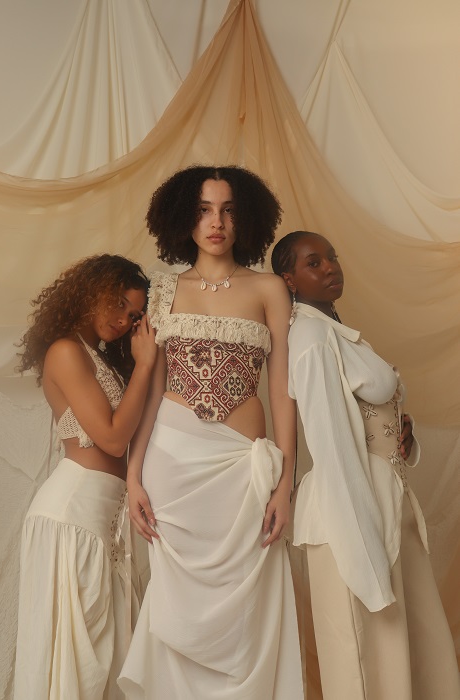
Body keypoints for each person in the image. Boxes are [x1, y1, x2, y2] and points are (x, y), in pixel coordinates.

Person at [118, 166, 304, 699]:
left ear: (245, 219)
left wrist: (286, 481)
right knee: (177, 610)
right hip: (170, 468)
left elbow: (283, 392)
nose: (216, 221)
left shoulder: (269, 288)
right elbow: (150, 388)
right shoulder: (162, 289)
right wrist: (133, 476)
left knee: (245, 611)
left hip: (240, 469)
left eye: (227, 210)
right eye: (203, 209)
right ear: (183, 217)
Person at [271, 230, 460, 700]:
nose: (331, 267)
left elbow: (369, 417)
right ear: (288, 279)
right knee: (364, 655)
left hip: (388, 498)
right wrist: (364, 548)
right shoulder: (311, 338)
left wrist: (403, 434)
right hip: (352, 511)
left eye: (332, 257)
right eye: (314, 262)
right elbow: (331, 444)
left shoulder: (337, 332)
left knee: (410, 647)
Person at [14, 254, 157, 700]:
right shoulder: (65, 350)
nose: (122, 319)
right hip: (73, 516)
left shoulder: (101, 357)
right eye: (117, 303)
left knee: (107, 654)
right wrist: (147, 365)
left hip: (105, 522)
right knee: (76, 658)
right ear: (89, 291)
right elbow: (114, 440)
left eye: (133, 315)